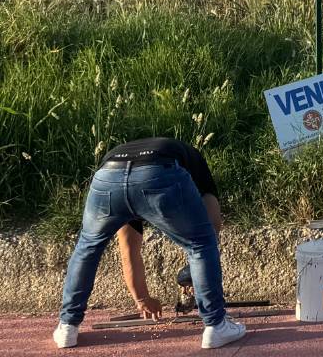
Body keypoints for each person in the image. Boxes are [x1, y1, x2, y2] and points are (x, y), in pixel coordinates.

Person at [53, 136, 247, 350]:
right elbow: (213, 221)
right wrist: (195, 275)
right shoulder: (192, 156)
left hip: (108, 176)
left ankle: (67, 327)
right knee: (201, 243)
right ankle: (216, 325)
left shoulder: (128, 155)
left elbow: (128, 249)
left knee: (87, 248)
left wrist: (141, 298)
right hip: (158, 172)